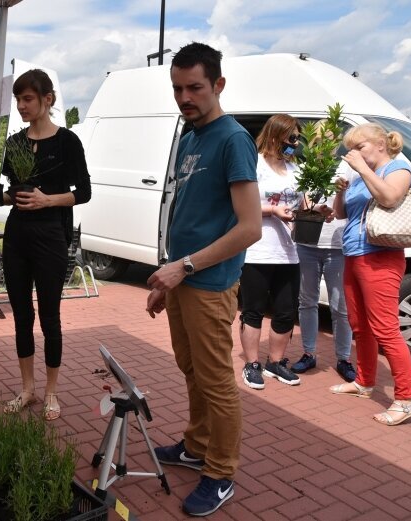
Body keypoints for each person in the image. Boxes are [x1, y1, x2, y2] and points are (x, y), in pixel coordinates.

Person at [146, 42, 261, 517]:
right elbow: (190, 213)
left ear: (218, 85)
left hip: (209, 285)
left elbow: (250, 227)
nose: (184, 97)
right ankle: (196, 446)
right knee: (191, 370)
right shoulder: (191, 135)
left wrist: (185, 267)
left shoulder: (232, 140)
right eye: (177, 88)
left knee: (216, 382)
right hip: (182, 281)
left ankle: (221, 472)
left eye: (194, 87)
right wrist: (166, 278)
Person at [0, 69, 91, 421]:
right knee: (21, 315)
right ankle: (27, 389)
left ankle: (51, 392)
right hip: (17, 236)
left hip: (51, 235)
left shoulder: (68, 142)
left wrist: (48, 201)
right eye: (18, 99)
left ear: (47, 99)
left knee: (50, 316)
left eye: (28, 99)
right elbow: (14, 193)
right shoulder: (15, 143)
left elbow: (84, 193)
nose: (21, 105)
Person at [330, 123, 411, 426]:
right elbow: (343, 215)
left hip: (381, 256)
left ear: (380, 144)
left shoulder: (398, 169)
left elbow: (390, 199)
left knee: (385, 329)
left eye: (360, 146)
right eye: (351, 148)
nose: (353, 153)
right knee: (359, 325)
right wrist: (340, 193)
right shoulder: (359, 176)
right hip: (354, 254)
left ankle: (407, 399)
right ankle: (364, 381)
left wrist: (362, 171)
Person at [239, 114, 303, 390]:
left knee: (287, 311)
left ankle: (275, 362)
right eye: (292, 138)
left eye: (298, 138)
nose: (296, 143)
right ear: (276, 135)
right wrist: (272, 210)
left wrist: (317, 211)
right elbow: (241, 204)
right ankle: (252, 364)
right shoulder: (255, 165)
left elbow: (304, 201)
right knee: (253, 310)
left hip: (290, 252)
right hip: (258, 249)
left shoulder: (294, 168)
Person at [291, 159, 356, 382]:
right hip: (307, 244)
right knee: (307, 301)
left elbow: (348, 207)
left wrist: (337, 202)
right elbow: (301, 203)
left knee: (340, 306)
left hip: (337, 246)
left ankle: (344, 358)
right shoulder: (306, 167)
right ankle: (309, 353)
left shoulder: (347, 167)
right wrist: (317, 209)